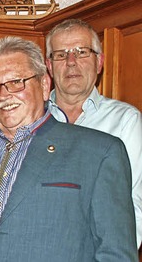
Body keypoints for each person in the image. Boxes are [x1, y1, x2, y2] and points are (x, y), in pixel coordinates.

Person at [0, 36, 137, 261]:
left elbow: (116, 255)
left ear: (45, 85)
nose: (4, 95)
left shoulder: (99, 153)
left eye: (17, 82)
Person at [45, 18, 142, 248]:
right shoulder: (32, 120)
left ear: (99, 62)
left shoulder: (125, 121)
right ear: (49, 66)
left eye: (81, 52)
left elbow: (135, 206)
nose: (71, 62)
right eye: (61, 54)